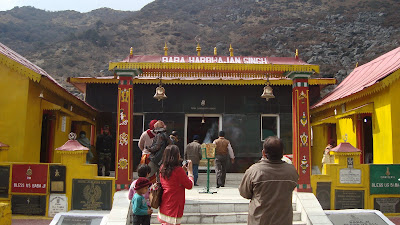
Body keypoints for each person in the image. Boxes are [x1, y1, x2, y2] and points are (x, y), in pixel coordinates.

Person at [239, 136, 299, 225]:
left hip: (259, 221)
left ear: (263, 153)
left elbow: (244, 193)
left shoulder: (254, 171)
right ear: (282, 153)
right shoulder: (291, 171)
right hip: (284, 221)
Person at [157, 145, 194, 225]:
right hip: (175, 204)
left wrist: (183, 171)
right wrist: (190, 172)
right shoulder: (178, 170)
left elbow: (173, 180)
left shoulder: (162, 168)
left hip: (165, 201)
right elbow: (189, 185)